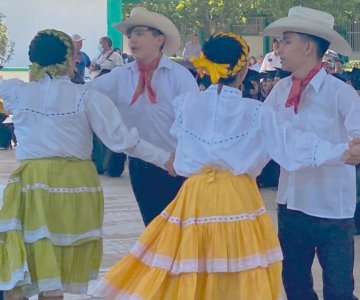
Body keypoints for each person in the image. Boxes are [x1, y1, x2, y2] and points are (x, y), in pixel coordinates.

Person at [92, 31, 360, 300]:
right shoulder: (254, 112)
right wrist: (339, 152)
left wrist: (154, 153)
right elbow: (291, 144)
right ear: (243, 70)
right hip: (236, 198)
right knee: (235, 275)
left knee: (191, 269)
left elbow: (168, 139)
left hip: (194, 197)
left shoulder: (186, 104)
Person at [0, 29, 174, 299]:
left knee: (26, 262)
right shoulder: (85, 96)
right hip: (75, 187)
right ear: (72, 60)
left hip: (32, 184)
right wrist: (166, 159)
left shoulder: (17, 92)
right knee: (55, 271)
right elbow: (123, 141)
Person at [263, 6, 360, 300]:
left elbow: (357, 143)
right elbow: (262, 134)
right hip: (291, 204)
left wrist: (350, 149)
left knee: (339, 289)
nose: (278, 48)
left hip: (332, 208)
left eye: (286, 40)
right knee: (295, 284)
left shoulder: (340, 93)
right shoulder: (280, 91)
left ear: (308, 47)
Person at [90, 7, 199, 226]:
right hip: (142, 165)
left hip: (179, 164)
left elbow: (194, 121)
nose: (132, 39)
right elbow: (86, 95)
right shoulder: (121, 76)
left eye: (140, 33)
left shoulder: (179, 76)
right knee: (153, 228)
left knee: (181, 231)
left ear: (159, 39)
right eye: (130, 35)